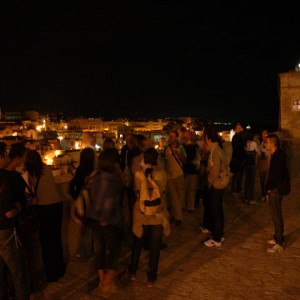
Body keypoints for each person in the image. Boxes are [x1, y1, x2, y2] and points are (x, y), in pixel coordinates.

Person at [127, 147, 170, 286]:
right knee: (155, 246)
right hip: (157, 215)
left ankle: (133, 271)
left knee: (137, 243)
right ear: (156, 160)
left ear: (145, 160)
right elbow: (163, 192)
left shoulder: (139, 175)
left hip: (141, 213)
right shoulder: (162, 174)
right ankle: (152, 276)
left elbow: (136, 192)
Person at [24, 150, 66, 283]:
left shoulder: (29, 174)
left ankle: (51, 274)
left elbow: (29, 191)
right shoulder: (47, 168)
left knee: (46, 242)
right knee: (56, 239)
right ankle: (60, 269)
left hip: (43, 208)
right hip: (56, 205)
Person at [89, 150, 124, 296]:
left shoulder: (94, 178)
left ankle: (102, 281)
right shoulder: (113, 179)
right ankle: (106, 284)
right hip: (109, 221)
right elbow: (109, 202)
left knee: (100, 252)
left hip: (94, 220)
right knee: (114, 252)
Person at [0, 143, 30, 300]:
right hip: (7, 232)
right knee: (19, 276)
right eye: (4, 154)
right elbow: (9, 212)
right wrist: (18, 208)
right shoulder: (8, 178)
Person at [69, 147, 97, 260]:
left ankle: (82, 252)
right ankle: (89, 253)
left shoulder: (78, 171)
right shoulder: (95, 172)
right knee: (90, 230)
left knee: (83, 230)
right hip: (92, 202)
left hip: (82, 204)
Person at [264, 134, 290, 253]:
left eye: (267, 142)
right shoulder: (277, 154)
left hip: (276, 190)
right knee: (275, 216)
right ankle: (277, 237)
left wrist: (270, 188)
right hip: (275, 189)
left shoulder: (279, 156)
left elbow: (278, 175)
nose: (265, 144)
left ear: (272, 144)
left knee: (276, 215)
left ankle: (279, 242)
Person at [203, 127, 228, 247]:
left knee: (216, 210)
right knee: (218, 210)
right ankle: (219, 234)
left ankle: (217, 238)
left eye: (206, 138)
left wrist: (209, 182)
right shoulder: (217, 149)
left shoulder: (215, 151)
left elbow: (215, 170)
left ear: (208, 138)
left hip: (216, 184)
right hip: (219, 184)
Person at [163, 130, 186, 226]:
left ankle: (175, 216)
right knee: (173, 197)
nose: (170, 138)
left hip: (179, 174)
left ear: (176, 137)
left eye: (172, 136)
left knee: (178, 197)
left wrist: (178, 155)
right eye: (170, 136)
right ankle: (178, 218)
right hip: (169, 176)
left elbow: (185, 161)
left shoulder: (180, 147)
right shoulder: (166, 148)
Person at [182, 130, 201, 213]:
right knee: (189, 190)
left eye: (186, 136)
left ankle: (190, 206)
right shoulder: (192, 146)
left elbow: (187, 158)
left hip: (190, 170)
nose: (185, 137)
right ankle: (189, 206)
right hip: (189, 170)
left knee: (191, 190)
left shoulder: (186, 146)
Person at [243, 130, 261, 205]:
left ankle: (246, 198)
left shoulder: (245, 143)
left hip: (246, 164)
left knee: (247, 181)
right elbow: (259, 153)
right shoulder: (253, 143)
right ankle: (251, 199)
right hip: (252, 165)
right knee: (252, 182)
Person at [230, 123, 246, 199]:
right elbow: (237, 146)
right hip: (236, 159)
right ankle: (233, 191)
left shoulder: (242, 136)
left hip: (242, 159)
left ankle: (238, 189)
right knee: (236, 175)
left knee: (241, 176)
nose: (240, 128)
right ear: (236, 129)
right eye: (238, 127)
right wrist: (241, 134)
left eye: (240, 127)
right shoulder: (235, 137)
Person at [257, 129, 271, 202]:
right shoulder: (260, 143)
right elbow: (258, 152)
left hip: (268, 164)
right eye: (264, 134)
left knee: (268, 181)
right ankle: (263, 195)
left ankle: (268, 195)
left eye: (266, 134)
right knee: (262, 181)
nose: (265, 135)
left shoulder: (270, 143)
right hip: (261, 164)